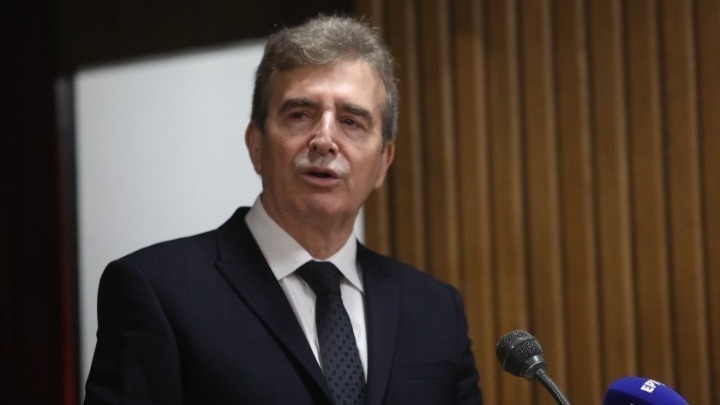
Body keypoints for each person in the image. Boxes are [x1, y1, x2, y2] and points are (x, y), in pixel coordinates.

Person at [84, 14, 483, 405]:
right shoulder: (158, 290)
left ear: (383, 162)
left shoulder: (435, 312)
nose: (324, 140)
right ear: (256, 144)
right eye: (300, 115)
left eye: (351, 121)